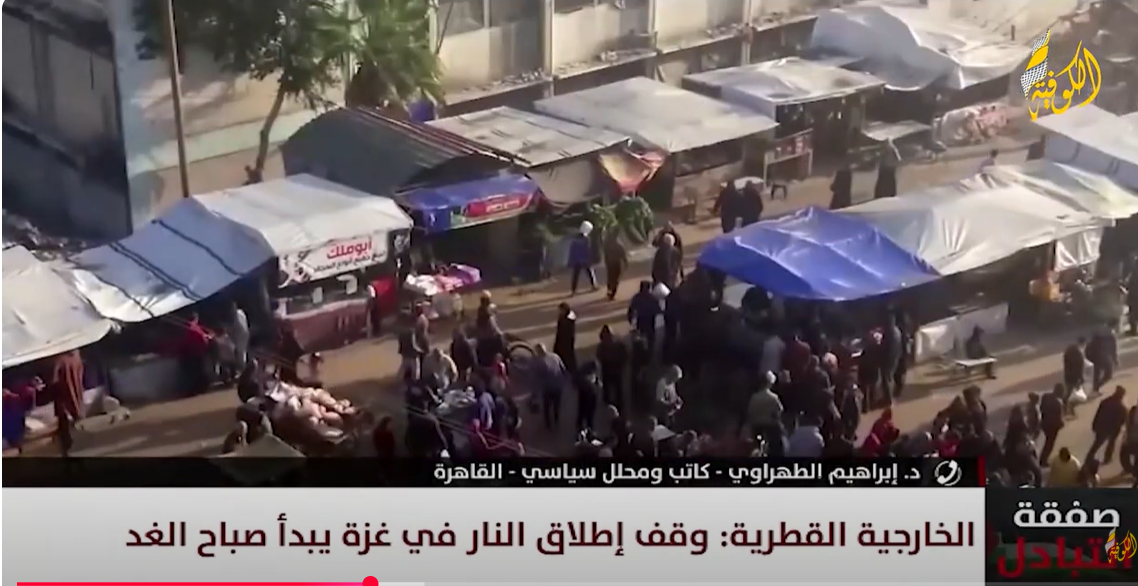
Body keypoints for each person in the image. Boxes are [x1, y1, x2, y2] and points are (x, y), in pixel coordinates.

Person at [47, 350, 85, 457]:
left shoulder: (59, 359)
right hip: (77, 395)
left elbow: (53, 380)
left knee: (64, 424)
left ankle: (67, 450)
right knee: (75, 419)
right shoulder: (77, 355)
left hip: (63, 397)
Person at [1088, 386, 1128, 465]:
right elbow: (1124, 420)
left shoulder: (1105, 402)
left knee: (1096, 444)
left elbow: (1098, 414)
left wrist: (1094, 424)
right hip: (1113, 429)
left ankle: (1089, 457)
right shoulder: (1122, 407)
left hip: (1101, 426)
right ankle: (1107, 458)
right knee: (1111, 443)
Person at [534, 344, 566, 431]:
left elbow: (538, 378)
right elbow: (563, 368)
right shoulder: (555, 356)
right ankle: (556, 420)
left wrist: (535, 393)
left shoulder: (540, 362)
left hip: (548, 388)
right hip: (558, 386)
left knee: (547, 407)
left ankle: (548, 424)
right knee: (556, 405)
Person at [596, 325, 628, 409]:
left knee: (611, 387)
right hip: (613, 368)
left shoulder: (604, 346)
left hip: (610, 368)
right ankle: (618, 403)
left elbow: (598, 355)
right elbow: (625, 354)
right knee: (616, 387)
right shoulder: (617, 344)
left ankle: (610, 402)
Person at [746, 371, 783, 435]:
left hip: (755, 425)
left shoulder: (754, 397)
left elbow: (750, 411)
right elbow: (780, 410)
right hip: (769, 426)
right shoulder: (774, 397)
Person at [627, 281, 661, 351]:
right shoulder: (652, 297)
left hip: (641, 320)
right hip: (649, 320)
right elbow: (657, 308)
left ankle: (643, 350)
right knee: (650, 337)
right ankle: (649, 350)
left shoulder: (637, 297)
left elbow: (631, 309)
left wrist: (630, 318)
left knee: (642, 336)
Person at [1038, 384, 1066, 466]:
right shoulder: (1059, 403)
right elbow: (1059, 417)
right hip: (1053, 426)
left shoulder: (1045, 397)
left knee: (1047, 442)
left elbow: (1041, 408)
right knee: (1049, 444)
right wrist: (1062, 424)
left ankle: (1043, 459)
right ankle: (1043, 460)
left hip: (1045, 424)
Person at [1086, 324, 1119, 394]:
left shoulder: (1097, 335)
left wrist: (1090, 358)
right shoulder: (1111, 336)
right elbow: (1113, 349)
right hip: (1104, 357)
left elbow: (1089, 347)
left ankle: (1095, 389)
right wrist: (1115, 360)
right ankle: (1096, 387)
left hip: (1095, 356)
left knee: (1097, 373)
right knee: (1108, 374)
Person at [567, 223, 596, 295]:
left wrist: (571, 260)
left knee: (576, 275)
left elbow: (572, 250)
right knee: (590, 272)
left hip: (577, 260)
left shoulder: (575, 239)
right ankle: (594, 285)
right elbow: (588, 249)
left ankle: (573, 290)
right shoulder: (586, 239)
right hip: (584, 259)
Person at [574, 361, 602, 433]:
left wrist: (597, 381)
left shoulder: (587, 371)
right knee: (587, 412)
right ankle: (586, 427)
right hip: (587, 393)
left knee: (585, 411)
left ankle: (582, 425)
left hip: (588, 393)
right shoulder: (585, 375)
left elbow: (595, 378)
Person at [602, 231, 629, 301]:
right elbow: (623, 255)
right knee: (616, 279)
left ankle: (609, 291)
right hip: (617, 264)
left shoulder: (607, 244)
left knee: (610, 278)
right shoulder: (619, 245)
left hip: (610, 263)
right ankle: (612, 294)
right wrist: (626, 263)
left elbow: (605, 254)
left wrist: (606, 261)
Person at [554, 302, 578, 374]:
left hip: (564, 343)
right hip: (567, 343)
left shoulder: (565, 321)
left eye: (560, 310)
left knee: (566, 358)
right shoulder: (567, 318)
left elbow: (561, 333)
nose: (559, 312)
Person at [1062, 337, 1087, 402]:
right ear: (1083, 344)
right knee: (1071, 391)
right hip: (1074, 377)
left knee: (1069, 390)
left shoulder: (1069, 349)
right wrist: (1080, 378)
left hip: (1068, 374)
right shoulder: (1078, 353)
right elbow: (1078, 368)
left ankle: (1066, 401)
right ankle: (1065, 402)